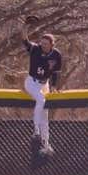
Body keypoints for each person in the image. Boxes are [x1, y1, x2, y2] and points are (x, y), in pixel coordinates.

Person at [20, 25, 62, 158]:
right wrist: (25, 28)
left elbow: (55, 73)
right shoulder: (35, 49)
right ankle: (36, 131)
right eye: (42, 42)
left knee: (45, 115)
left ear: (51, 44)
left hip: (45, 84)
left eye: (45, 43)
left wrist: (54, 86)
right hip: (31, 82)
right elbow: (25, 41)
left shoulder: (56, 55)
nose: (42, 45)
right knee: (41, 100)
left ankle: (46, 144)